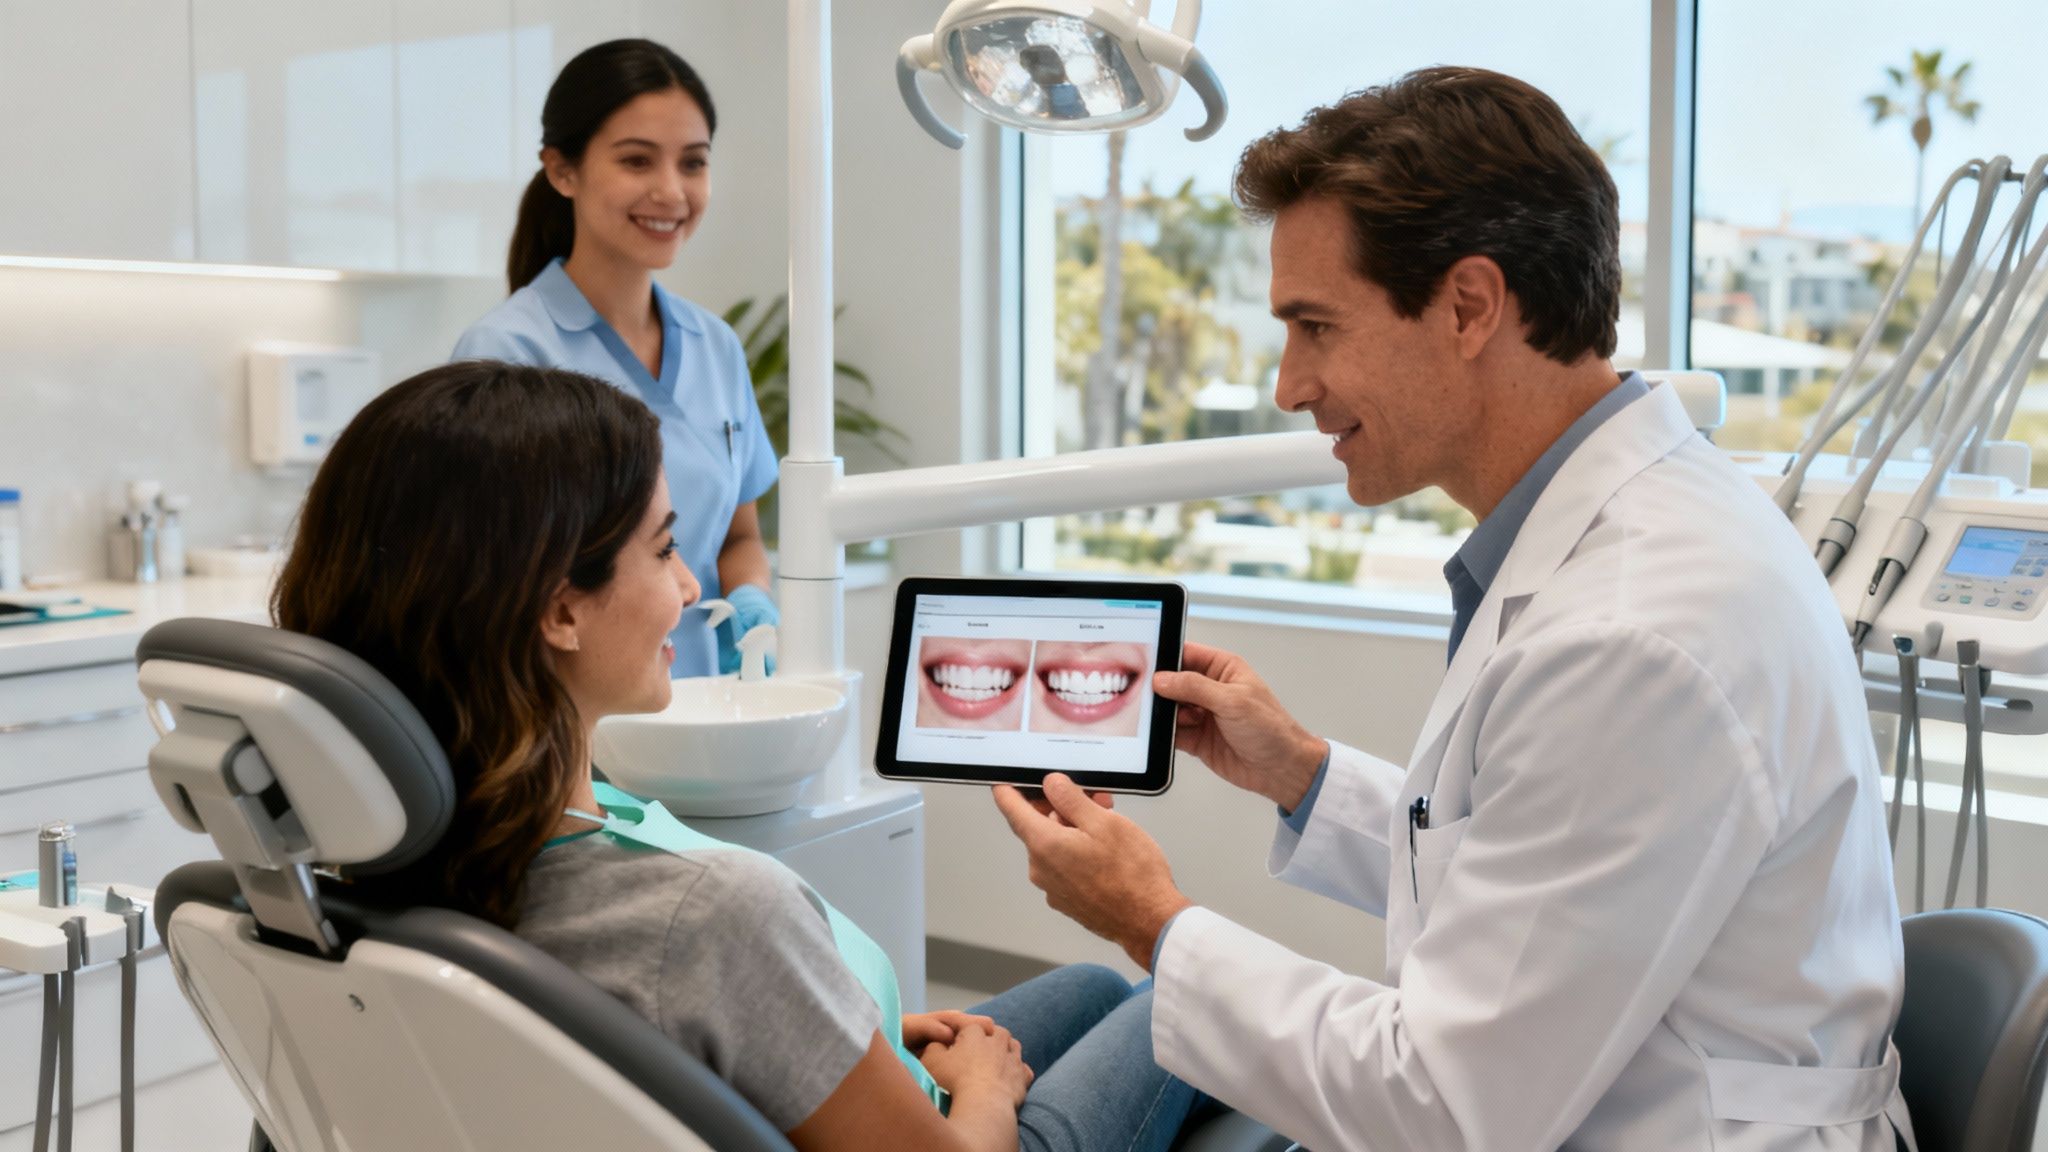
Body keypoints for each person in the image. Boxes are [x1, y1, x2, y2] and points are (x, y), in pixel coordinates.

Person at [992, 67, 1912, 1152]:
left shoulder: (1633, 632)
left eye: (1315, 326)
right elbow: (1534, 880)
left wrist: (1150, 920)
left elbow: (1444, 1108)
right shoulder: (1617, 539)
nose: (1288, 384)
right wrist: (1301, 773)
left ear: (1468, 306)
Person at [272, 360, 1202, 1152]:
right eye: (667, 549)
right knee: (1201, 1008)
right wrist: (987, 1095)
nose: (689, 587)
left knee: (1087, 985)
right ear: (560, 610)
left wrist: (842, 1033)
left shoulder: (345, 875)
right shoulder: (708, 915)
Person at [452, 39, 774, 679]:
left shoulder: (716, 346)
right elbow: (497, 582)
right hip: (579, 724)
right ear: (562, 170)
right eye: (636, 161)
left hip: (708, 707)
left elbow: (739, 538)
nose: (671, 192)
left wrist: (752, 599)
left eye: (693, 163)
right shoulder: (508, 355)